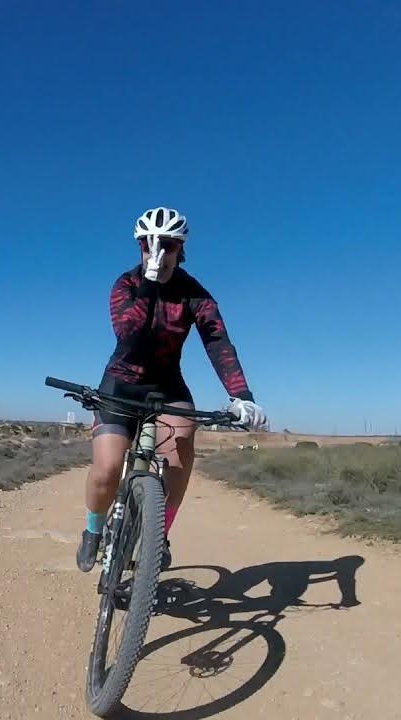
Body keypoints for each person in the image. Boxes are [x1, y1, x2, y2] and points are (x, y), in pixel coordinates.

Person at [77, 206, 268, 573]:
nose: (159, 254)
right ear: (140, 248)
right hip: (121, 383)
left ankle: (158, 536)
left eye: (168, 245)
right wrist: (149, 284)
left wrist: (242, 395)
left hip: (166, 386)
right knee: (107, 468)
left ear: (181, 249)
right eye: (149, 246)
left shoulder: (194, 293)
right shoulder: (127, 285)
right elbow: (129, 337)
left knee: (179, 455)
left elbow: (218, 342)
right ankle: (93, 532)